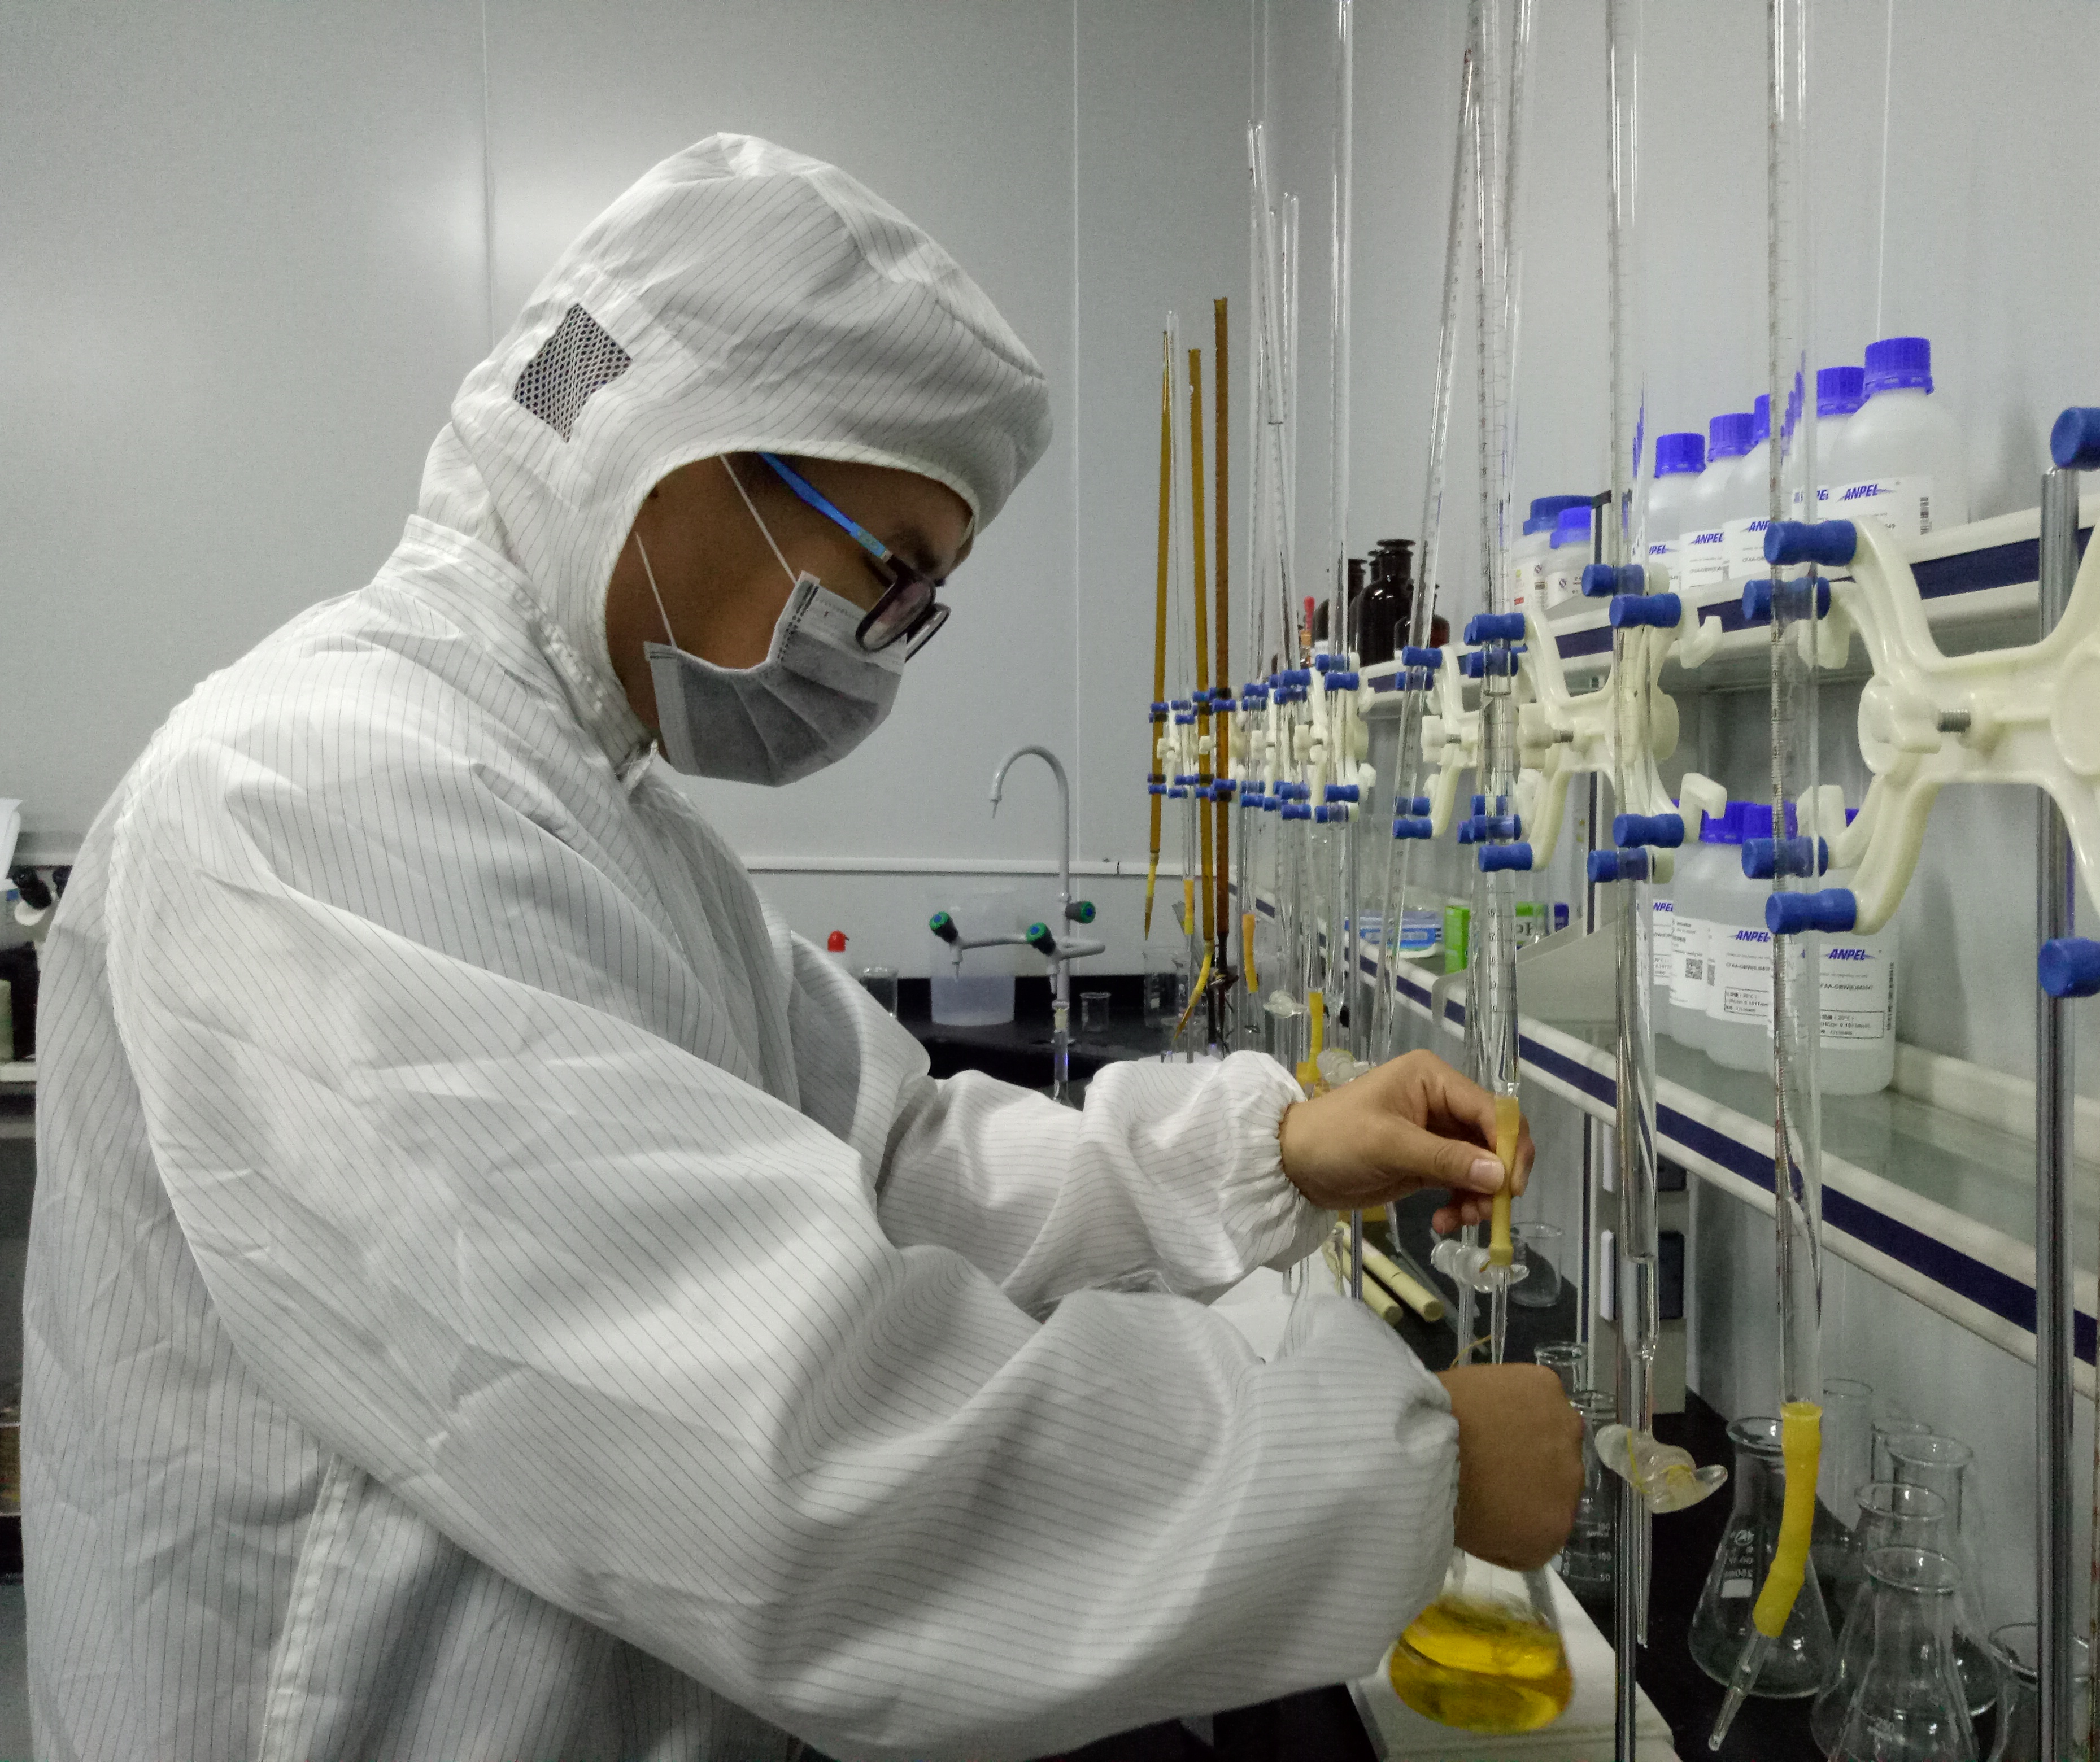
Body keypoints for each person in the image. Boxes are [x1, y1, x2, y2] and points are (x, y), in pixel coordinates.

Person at [25, 134, 1581, 1761]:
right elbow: (788, 1459)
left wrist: (1268, 1148)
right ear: (682, 447)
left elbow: (894, 1166)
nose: (888, 645)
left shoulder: (615, 830)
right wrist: (1401, 1469)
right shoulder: (318, 796)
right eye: (891, 573)